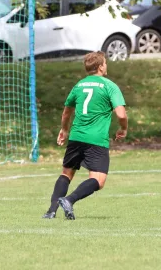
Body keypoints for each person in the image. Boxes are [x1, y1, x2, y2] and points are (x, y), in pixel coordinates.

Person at [42, 51, 127, 220]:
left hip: (76, 136)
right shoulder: (109, 86)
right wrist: (123, 129)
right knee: (99, 180)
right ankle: (69, 200)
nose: (106, 66)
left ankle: (51, 211)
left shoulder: (79, 85)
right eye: (105, 63)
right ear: (101, 66)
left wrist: (64, 130)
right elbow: (121, 114)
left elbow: (66, 113)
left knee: (66, 173)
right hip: (96, 140)